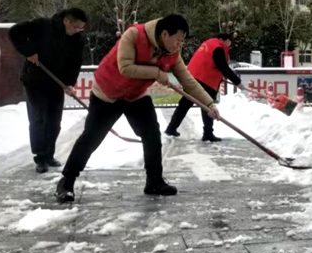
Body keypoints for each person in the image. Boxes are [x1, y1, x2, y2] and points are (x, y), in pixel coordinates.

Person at [55, 14, 219, 203]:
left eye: (182, 42)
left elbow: (189, 81)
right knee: (92, 137)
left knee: (151, 134)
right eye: (178, 41)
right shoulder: (133, 35)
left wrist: (209, 104)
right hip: (108, 92)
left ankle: (154, 180)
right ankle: (67, 181)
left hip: (135, 95)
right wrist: (156, 73)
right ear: (165, 34)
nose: (179, 46)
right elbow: (125, 67)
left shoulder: (173, 54)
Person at [8, 8, 87, 174]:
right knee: (39, 119)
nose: (78, 30)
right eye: (76, 27)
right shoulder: (43, 25)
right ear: (66, 21)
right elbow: (15, 32)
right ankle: (40, 157)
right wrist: (29, 52)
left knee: (54, 121)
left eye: (81, 28)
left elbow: (75, 63)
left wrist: (69, 83)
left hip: (56, 84)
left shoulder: (77, 39)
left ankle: (49, 154)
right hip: (34, 81)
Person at [165, 33, 243, 141]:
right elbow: (223, 67)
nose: (229, 45)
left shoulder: (209, 43)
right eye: (228, 42)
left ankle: (171, 128)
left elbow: (210, 62)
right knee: (208, 106)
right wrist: (237, 81)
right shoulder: (218, 48)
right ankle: (208, 133)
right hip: (206, 79)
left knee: (185, 104)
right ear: (222, 39)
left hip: (192, 77)